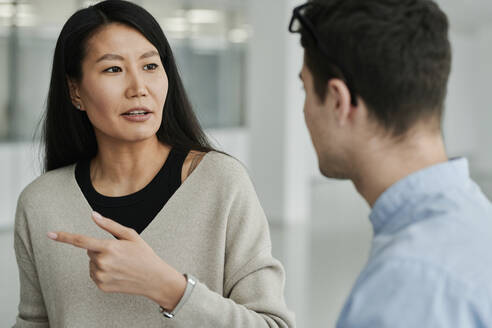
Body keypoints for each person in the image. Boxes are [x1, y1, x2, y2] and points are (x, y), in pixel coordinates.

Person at [13, 1, 295, 327]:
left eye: (150, 66)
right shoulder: (40, 203)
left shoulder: (221, 183)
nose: (138, 88)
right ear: (75, 91)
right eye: (113, 69)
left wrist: (168, 288)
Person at [289, 0, 492, 327]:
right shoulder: (477, 221)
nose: (304, 111)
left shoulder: (407, 286)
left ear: (340, 101)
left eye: (305, 89)